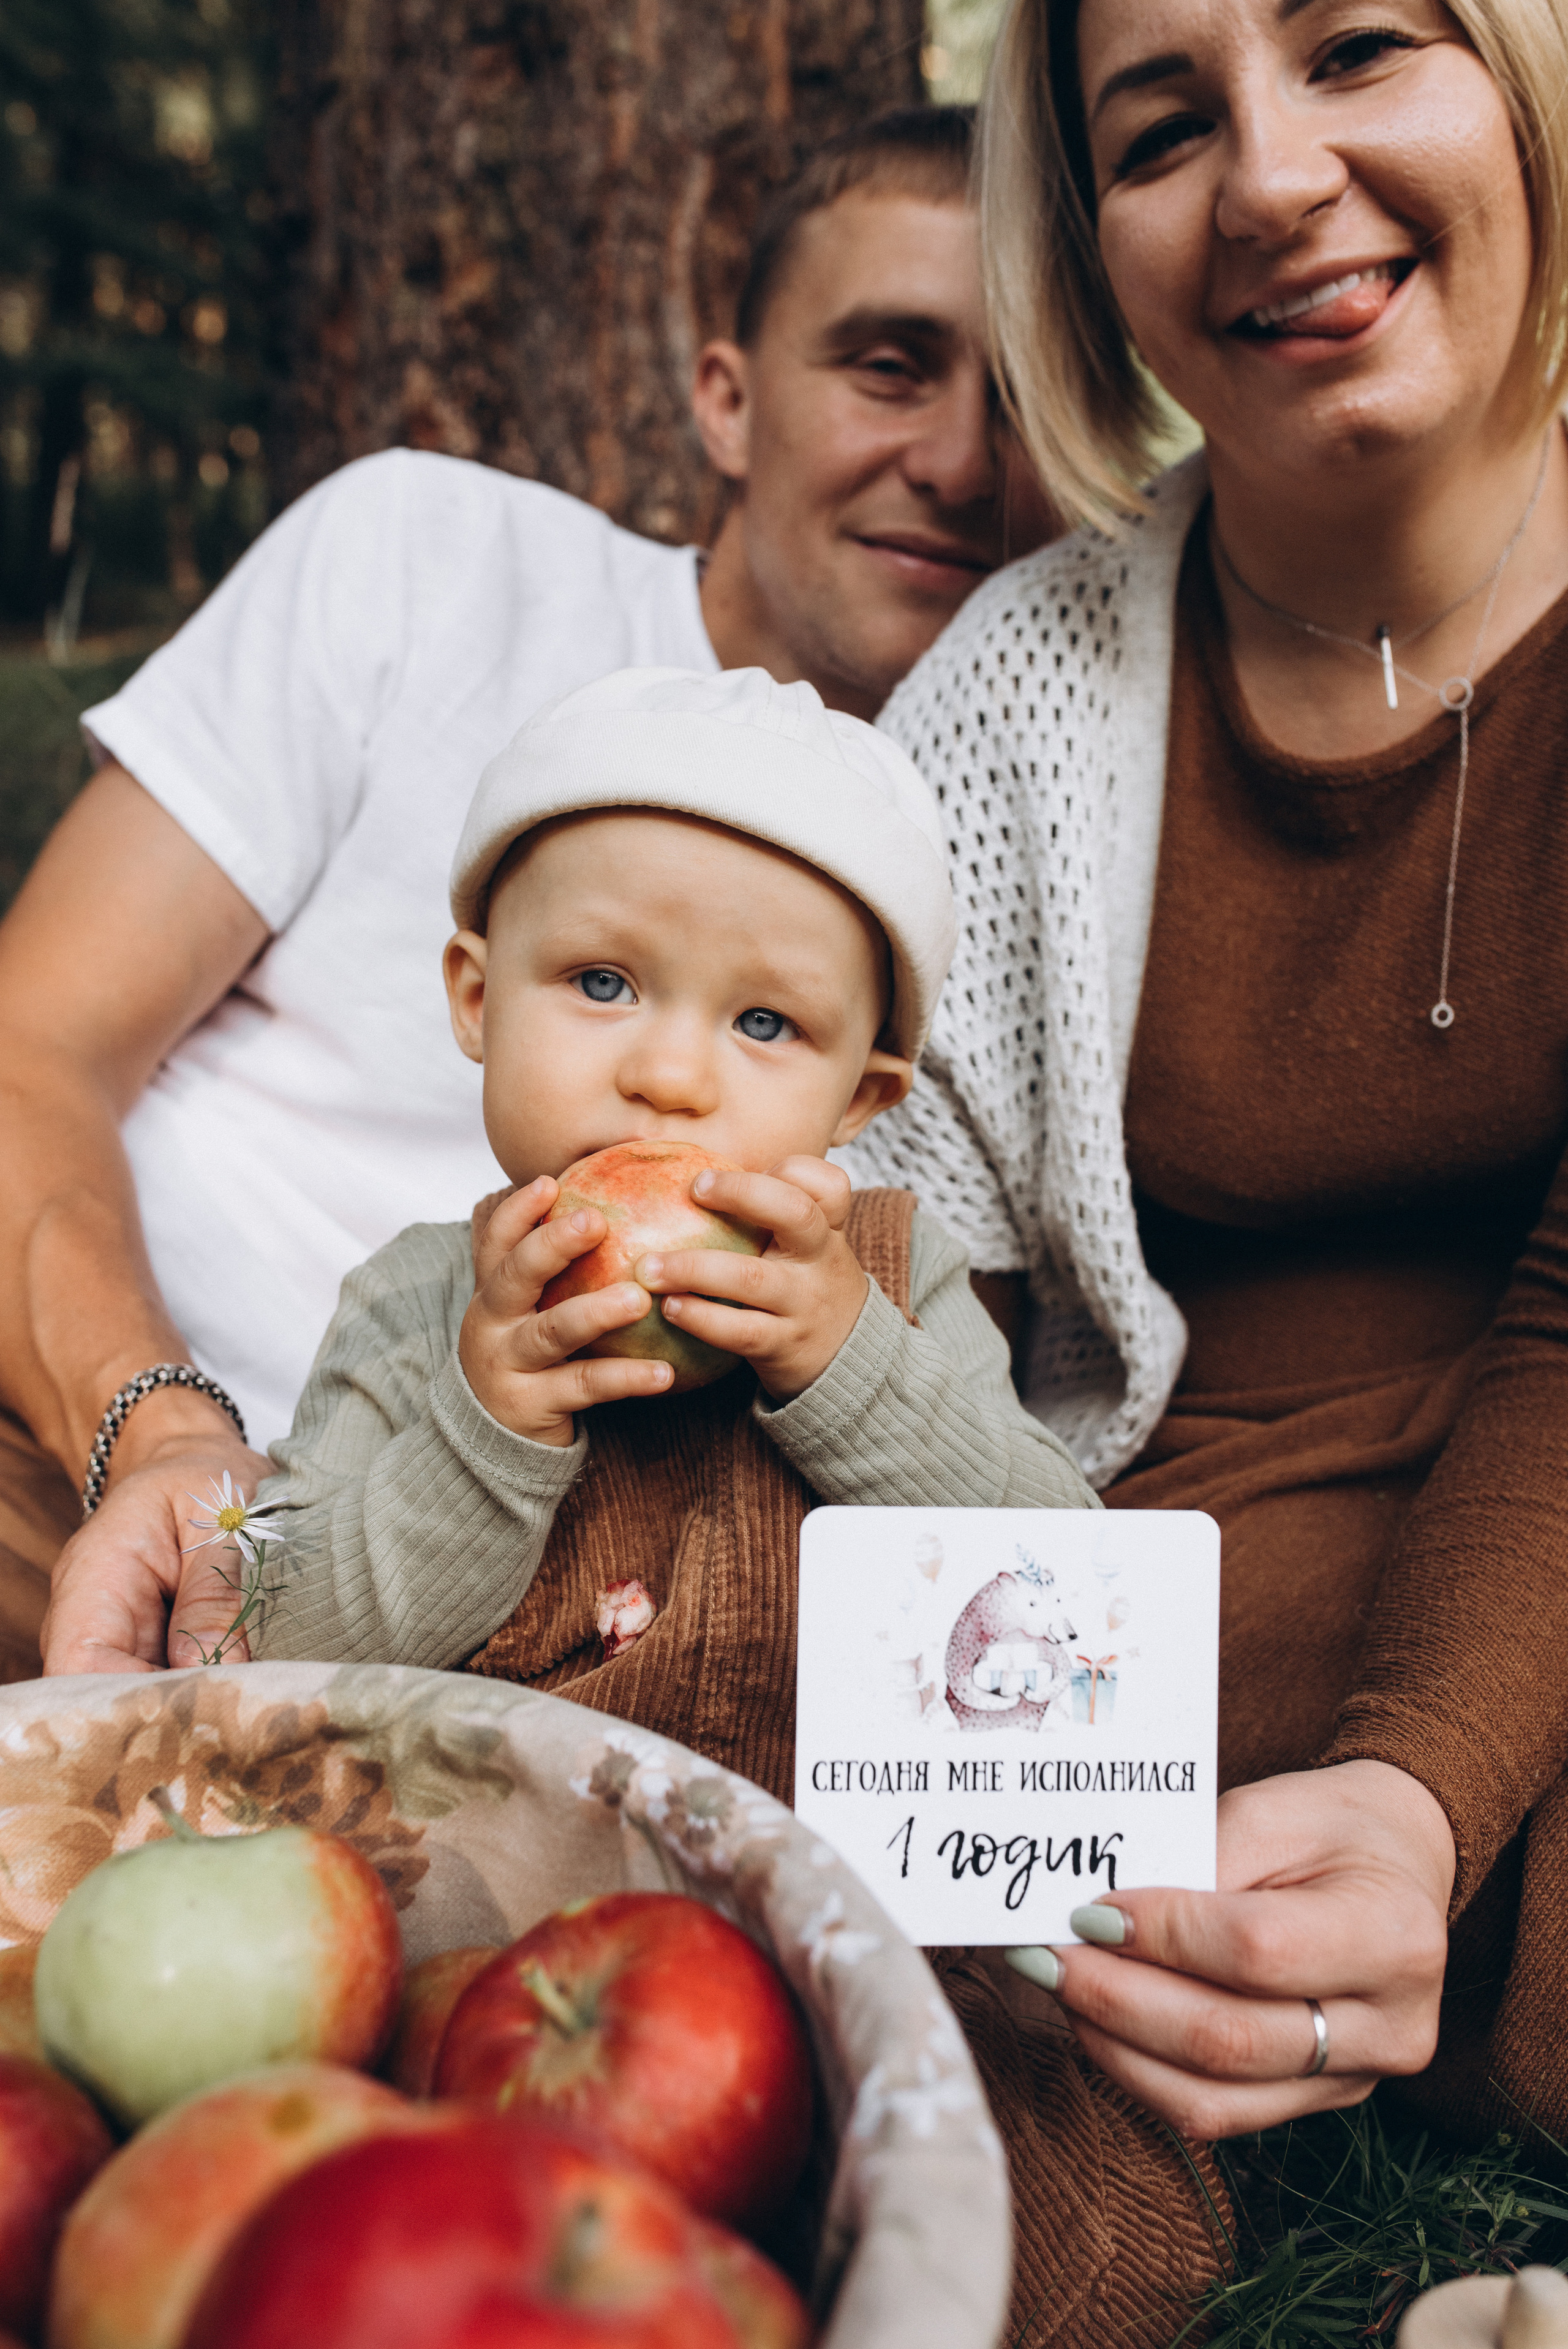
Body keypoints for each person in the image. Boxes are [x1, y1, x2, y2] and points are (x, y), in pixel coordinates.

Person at [840, 0, 1568, 2336]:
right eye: (1162, 128)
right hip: (1145, 1605)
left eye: (1363, 44)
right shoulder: (1015, 686)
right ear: (1098, 253)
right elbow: (883, 1265)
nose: (1267, 180)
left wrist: (1421, 1783)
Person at [0, 105, 1058, 1686]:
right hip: (122, 1461)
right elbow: (28, 1046)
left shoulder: (1060, 823)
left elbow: (1046, 1550)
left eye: (1035, 397)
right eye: (887, 364)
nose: (965, 461)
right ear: (725, 397)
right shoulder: (422, 556)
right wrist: (153, 1437)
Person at [244, 667, 1095, 1788]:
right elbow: (273, 1647)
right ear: (476, 999)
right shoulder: (413, 1306)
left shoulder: (895, 1284)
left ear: (858, 1101)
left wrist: (851, 1365)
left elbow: (1076, 1579)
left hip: (839, 1909)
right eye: (603, 982)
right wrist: (481, 1430)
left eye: (763, 1021)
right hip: (507, 1915)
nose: (669, 1076)